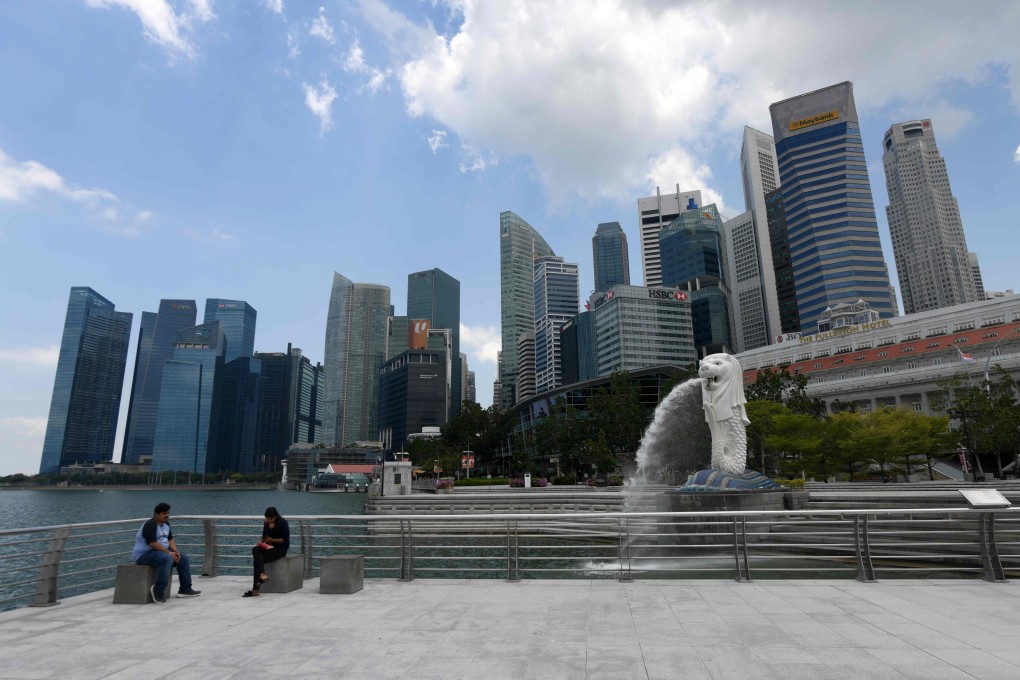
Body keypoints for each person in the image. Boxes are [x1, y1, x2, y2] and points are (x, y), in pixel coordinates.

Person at [131, 502, 201, 602]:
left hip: (159, 553)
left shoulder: (166, 524)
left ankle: (185, 589)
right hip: (143, 555)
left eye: (168, 513)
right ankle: (158, 590)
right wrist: (169, 553)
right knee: (167, 558)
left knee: (183, 558)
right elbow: (153, 543)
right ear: (156, 514)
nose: (167, 515)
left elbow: (170, 539)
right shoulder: (150, 525)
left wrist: (175, 551)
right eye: (164, 513)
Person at [243, 506, 290, 597]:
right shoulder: (266, 523)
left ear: (276, 516)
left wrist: (271, 540)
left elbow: (284, 541)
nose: (269, 520)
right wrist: (262, 542)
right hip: (269, 546)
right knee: (255, 549)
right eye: (267, 518)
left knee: (257, 561)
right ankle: (262, 574)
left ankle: (255, 589)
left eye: (271, 518)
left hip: (281, 549)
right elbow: (264, 536)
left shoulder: (282, 523)